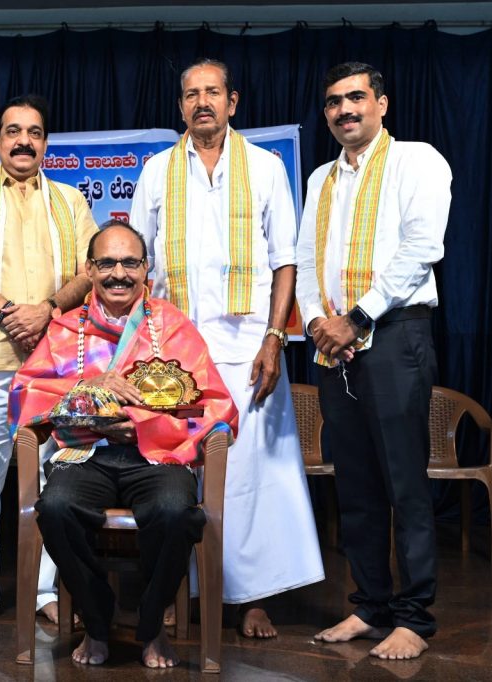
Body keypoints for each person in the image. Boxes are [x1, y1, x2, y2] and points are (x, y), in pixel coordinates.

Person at [129, 58, 324, 637]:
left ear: (232, 101)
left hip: (248, 351)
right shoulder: (156, 172)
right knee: (174, 472)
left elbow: (285, 261)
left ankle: (252, 598)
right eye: (192, 94)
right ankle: (176, 589)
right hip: (172, 352)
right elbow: (138, 263)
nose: (202, 102)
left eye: (212, 92)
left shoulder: (265, 168)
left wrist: (274, 338)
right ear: (181, 106)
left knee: (250, 475)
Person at [10, 221, 237, 667]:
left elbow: (212, 404)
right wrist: (89, 388)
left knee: (175, 512)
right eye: (108, 263)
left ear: (146, 268)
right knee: (55, 509)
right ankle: (99, 621)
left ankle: (151, 626)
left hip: (157, 455)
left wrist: (144, 423)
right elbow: (24, 394)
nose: (119, 273)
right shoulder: (65, 329)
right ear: (89, 270)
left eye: (130, 262)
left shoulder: (172, 327)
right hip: (85, 454)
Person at [296, 62, 452, 660]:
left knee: (403, 482)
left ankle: (414, 617)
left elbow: (422, 248)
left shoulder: (418, 161)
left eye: (356, 97)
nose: (345, 110)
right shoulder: (321, 178)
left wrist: (356, 318)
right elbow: (307, 261)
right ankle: (369, 606)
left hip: (393, 336)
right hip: (332, 343)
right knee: (356, 483)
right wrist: (318, 322)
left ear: (381, 104)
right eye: (334, 102)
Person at [0, 95, 97, 626]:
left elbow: (90, 272)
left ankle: (46, 591)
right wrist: (12, 313)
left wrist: (47, 309)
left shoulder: (70, 201)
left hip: (57, 365)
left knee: (57, 481)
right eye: (13, 131)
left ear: (45, 143)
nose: (23, 141)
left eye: (34, 132)